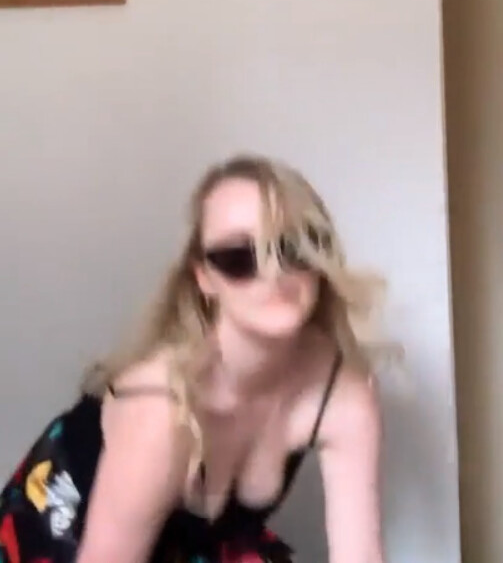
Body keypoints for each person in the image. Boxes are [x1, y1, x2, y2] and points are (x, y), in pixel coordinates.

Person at [0, 154, 387, 563]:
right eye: (240, 256)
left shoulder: (342, 392)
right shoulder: (159, 411)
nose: (274, 273)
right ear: (204, 278)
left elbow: (361, 556)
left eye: (293, 248)